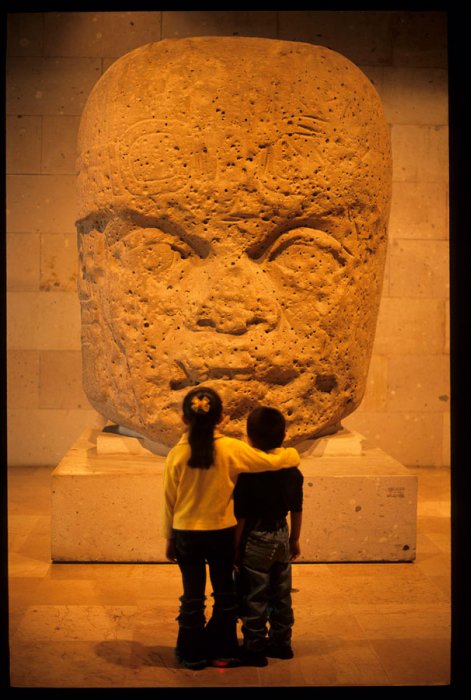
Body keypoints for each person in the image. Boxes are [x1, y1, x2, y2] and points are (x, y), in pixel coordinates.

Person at [162, 387, 301, 670]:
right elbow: (272, 460)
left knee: (192, 596)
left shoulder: (176, 455)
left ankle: (192, 653)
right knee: (225, 594)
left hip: (186, 534)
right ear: (222, 418)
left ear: (183, 419)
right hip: (221, 534)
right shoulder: (232, 449)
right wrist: (293, 455)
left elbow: (169, 502)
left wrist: (169, 538)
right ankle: (223, 650)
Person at [233, 406, 304, 666]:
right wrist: (294, 539)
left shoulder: (249, 473)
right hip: (282, 534)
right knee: (281, 592)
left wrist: (236, 546)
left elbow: (241, 515)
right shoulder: (293, 471)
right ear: (284, 435)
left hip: (256, 537)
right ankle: (282, 643)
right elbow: (297, 508)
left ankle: (254, 646)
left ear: (249, 437)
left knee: (255, 593)